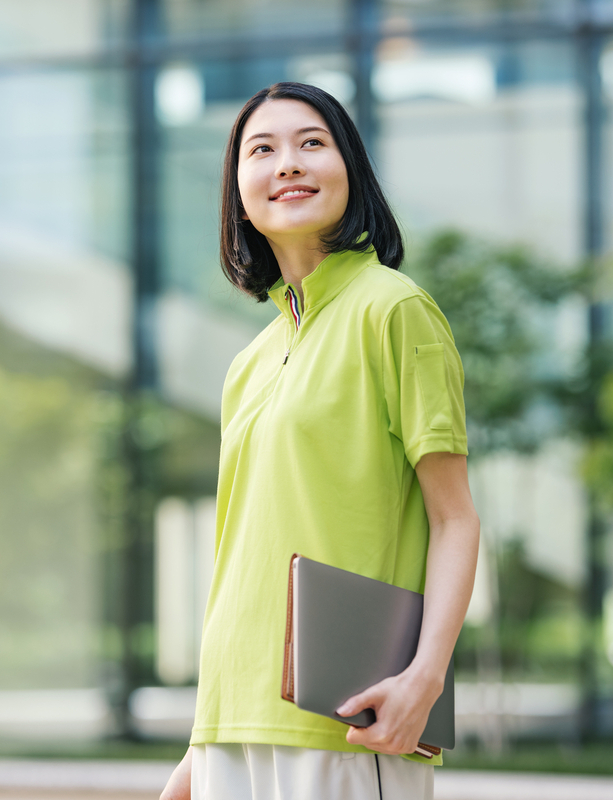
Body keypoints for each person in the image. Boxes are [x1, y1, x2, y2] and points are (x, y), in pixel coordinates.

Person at [159, 82, 480, 800]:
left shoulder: (395, 310)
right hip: (231, 731)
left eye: (312, 143)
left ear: (351, 170)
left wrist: (424, 680)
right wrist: (200, 751)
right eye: (262, 150)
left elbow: (454, 518)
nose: (288, 163)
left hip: (346, 719)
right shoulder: (249, 363)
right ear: (238, 194)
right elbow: (245, 555)